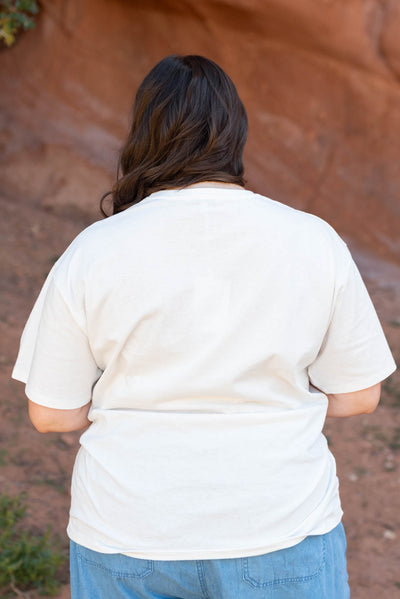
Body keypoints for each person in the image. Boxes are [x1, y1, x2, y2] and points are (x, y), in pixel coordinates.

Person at [12, 54, 396, 599]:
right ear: (235, 133)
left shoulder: (94, 250)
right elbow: (359, 396)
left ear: (144, 133)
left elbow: (52, 414)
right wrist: (274, 396)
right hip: (278, 524)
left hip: (127, 530)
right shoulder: (312, 240)